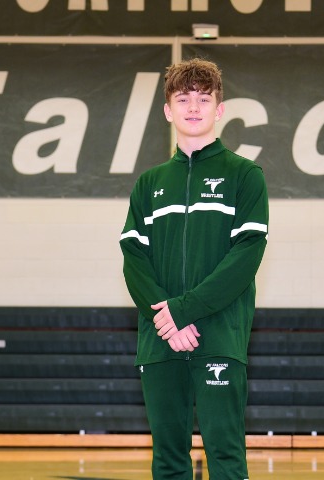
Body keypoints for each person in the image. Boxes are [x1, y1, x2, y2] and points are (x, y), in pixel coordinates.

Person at [119, 57, 269, 480]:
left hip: (218, 336)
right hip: (160, 339)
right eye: (183, 99)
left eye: (204, 99)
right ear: (168, 110)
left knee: (226, 456)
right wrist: (167, 319)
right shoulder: (149, 184)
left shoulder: (245, 175)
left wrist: (183, 310)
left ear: (220, 109)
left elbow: (246, 255)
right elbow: (133, 259)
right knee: (168, 459)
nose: (193, 107)